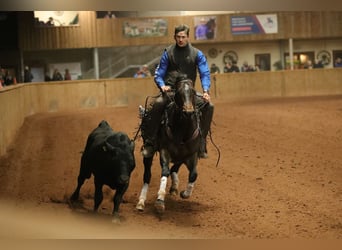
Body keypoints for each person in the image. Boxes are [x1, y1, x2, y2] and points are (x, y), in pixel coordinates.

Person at [141, 24, 214, 158]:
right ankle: (150, 143)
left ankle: (202, 142)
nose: (181, 40)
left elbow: (205, 73)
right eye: (178, 37)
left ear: (188, 37)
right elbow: (159, 73)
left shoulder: (197, 54)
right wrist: (162, 86)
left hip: (188, 93)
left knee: (209, 106)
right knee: (157, 105)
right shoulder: (168, 53)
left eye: (183, 37)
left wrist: (205, 91)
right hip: (171, 92)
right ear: (174, 37)